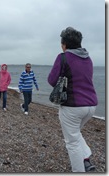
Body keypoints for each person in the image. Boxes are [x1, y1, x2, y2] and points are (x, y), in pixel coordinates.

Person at [47, 27, 98, 172]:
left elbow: (52, 80)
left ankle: (79, 171)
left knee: (72, 142)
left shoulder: (63, 57)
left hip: (72, 106)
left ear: (65, 44)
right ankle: (86, 158)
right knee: (75, 133)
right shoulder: (88, 58)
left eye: (61, 42)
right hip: (91, 105)